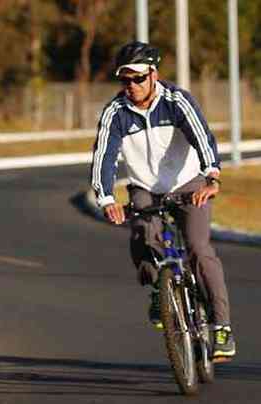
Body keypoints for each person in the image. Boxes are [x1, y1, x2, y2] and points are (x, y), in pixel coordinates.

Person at [91, 41, 235, 359]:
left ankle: (221, 326)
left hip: (189, 183)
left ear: (153, 75)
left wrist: (212, 177)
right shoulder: (115, 113)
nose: (132, 86)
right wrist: (105, 199)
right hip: (145, 188)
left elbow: (202, 138)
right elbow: (104, 157)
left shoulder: (176, 101)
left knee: (199, 248)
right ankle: (159, 289)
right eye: (125, 80)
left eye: (138, 79)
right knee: (143, 234)